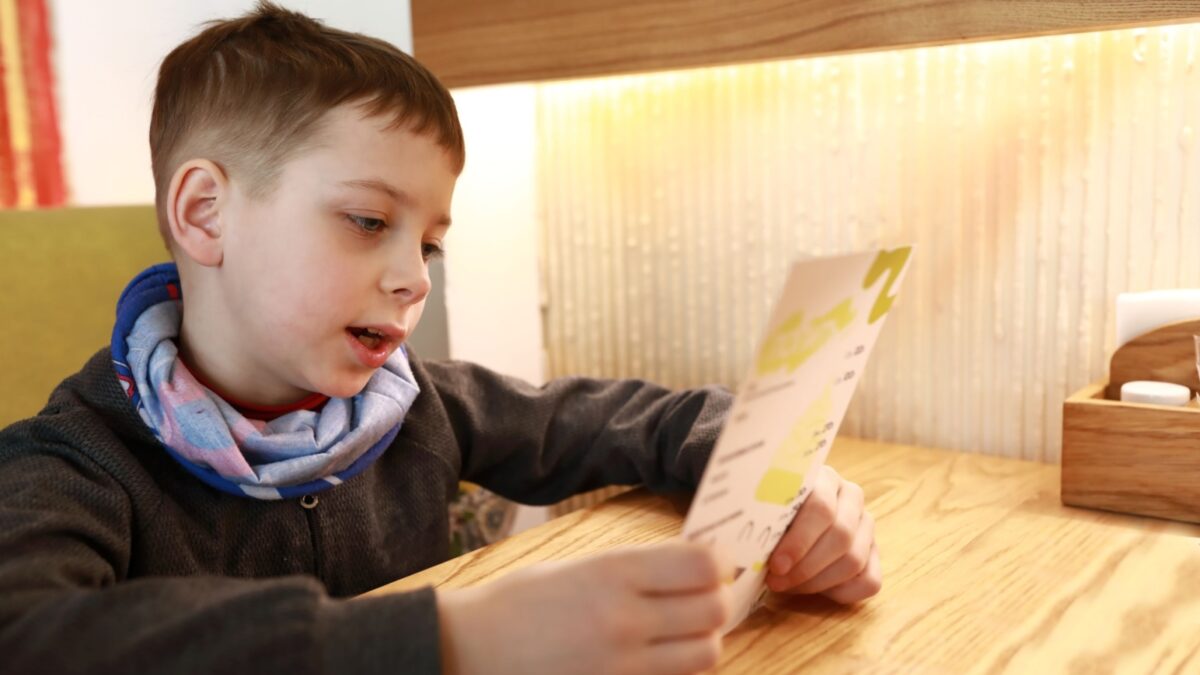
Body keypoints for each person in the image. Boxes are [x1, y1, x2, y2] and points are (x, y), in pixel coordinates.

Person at [0, 4, 880, 673]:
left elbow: (618, 418)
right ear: (204, 212)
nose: (415, 277)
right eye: (367, 219)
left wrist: (783, 475)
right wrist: (455, 636)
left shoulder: (413, 405)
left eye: (428, 243)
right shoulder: (74, 462)